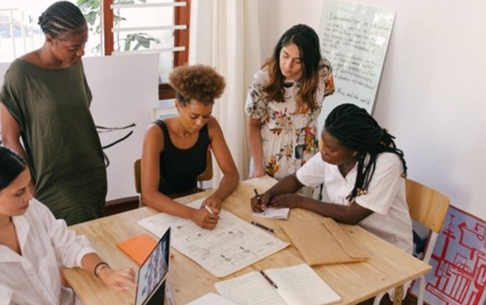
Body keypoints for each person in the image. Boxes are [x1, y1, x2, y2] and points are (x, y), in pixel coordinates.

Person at [251, 103, 413, 257]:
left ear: (354, 151)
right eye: (324, 145)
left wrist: (300, 201)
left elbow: (351, 215)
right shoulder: (330, 156)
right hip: (349, 236)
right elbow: (296, 180)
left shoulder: (386, 163)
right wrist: (268, 195)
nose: (323, 152)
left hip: (388, 248)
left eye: (330, 149)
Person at [0, 1, 107, 225]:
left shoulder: (74, 63)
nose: (81, 52)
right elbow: (10, 138)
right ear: (50, 39)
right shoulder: (20, 74)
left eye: (84, 44)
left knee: (93, 238)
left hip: (90, 172)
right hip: (52, 181)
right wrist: (28, 184)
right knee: (62, 245)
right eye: (73, 47)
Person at [0, 146, 136, 305]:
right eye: (19, 192)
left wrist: (104, 271)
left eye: (28, 186)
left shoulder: (31, 209)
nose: (29, 197)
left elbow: (67, 244)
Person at [141, 64, 239, 230]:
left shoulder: (211, 126)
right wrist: (192, 214)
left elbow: (231, 173)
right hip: (159, 209)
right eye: (194, 116)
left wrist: (218, 196)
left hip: (193, 200)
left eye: (206, 116)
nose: (200, 123)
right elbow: (149, 195)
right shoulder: (156, 133)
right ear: (178, 105)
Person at [245, 24, 334, 181]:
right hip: (271, 158)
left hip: (308, 158)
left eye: (297, 61)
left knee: (304, 205)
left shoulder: (322, 73)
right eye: (285, 55)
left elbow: (316, 106)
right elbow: (253, 125)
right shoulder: (262, 80)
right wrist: (258, 167)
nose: (288, 65)